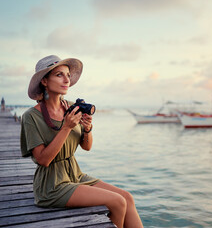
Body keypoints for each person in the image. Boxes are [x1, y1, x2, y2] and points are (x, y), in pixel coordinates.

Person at [20, 55, 143, 228]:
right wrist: (66, 128)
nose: (66, 80)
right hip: (52, 184)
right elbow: (43, 160)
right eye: (59, 75)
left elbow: (87, 147)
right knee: (117, 202)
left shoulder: (70, 106)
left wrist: (87, 129)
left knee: (127, 198)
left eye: (68, 75)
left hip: (75, 174)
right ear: (45, 81)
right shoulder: (31, 116)